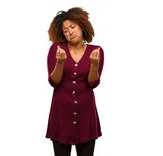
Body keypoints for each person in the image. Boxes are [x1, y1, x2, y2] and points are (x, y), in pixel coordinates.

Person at [45, 7, 104, 156]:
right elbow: (53, 82)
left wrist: (94, 65)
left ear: (81, 26)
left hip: (86, 116)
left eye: (73, 27)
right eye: (65, 30)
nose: (70, 32)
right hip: (61, 115)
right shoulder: (56, 49)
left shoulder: (96, 51)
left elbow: (93, 83)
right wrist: (60, 63)